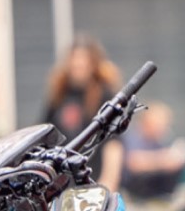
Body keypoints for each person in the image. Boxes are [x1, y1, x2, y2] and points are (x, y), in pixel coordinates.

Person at [41, 34, 123, 190]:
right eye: (75, 58)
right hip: (63, 185)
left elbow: (113, 144)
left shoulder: (104, 95)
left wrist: (108, 183)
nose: (78, 63)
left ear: (93, 63)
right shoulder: (59, 95)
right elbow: (45, 136)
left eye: (83, 59)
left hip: (93, 181)